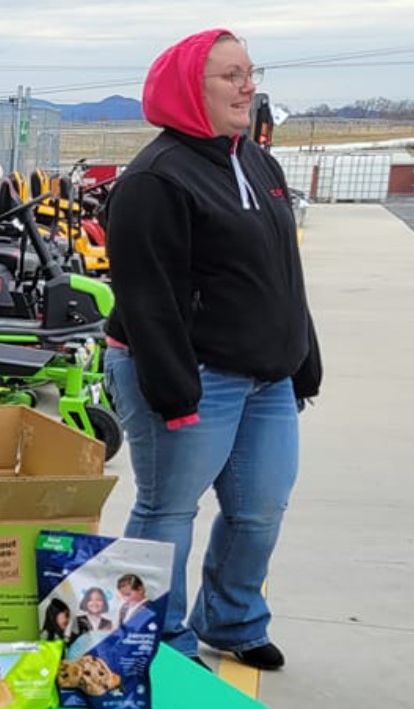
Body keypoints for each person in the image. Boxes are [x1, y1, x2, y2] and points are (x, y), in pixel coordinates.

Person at [103, 29, 317, 672]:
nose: (248, 87)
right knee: (168, 506)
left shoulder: (256, 160)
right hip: (186, 373)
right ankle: (160, 639)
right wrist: (174, 391)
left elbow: (284, 271)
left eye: (250, 73)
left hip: (265, 377)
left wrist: (302, 355)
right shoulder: (155, 179)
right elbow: (148, 297)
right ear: (188, 89)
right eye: (231, 75)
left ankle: (233, 619)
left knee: (260, 509)